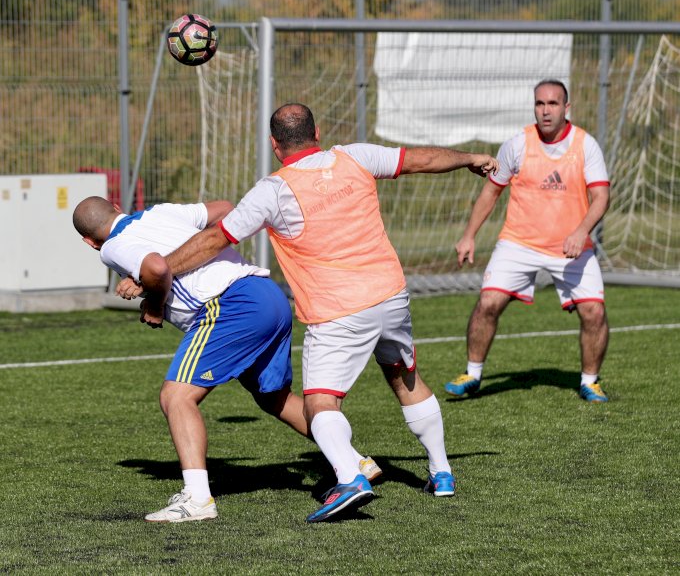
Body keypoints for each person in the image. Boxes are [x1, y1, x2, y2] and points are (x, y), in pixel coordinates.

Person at [161, 103, 499, 523]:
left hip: (337, 310)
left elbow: (216, 239)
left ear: (274, 145)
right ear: (317, 132)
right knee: (404, 376)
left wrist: (159, 269)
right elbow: (420, 159)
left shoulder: (272, 190)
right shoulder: (354, 156)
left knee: (321, 402)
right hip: (391, 295)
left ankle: (350, 478)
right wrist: (470, 158)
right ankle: (441, 472)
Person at [72, 196, 381, 523]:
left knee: (176, 397)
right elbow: (225, 208)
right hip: (266, 293)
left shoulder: (112, 246)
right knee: (272, 397)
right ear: (117, 208)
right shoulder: (161, 212)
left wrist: (155, 304)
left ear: (89, 242)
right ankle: (354, 462)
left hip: (231, 305)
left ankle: (197, 499)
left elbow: (157, 268)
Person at [444, 79, 611, 403]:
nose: (545, 110)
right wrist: (468, 235)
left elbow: (601, 197)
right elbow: (491, 192)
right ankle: (472, 375)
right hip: (518, 243)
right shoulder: (517, 144)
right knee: (488, 303)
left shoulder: (585, 145)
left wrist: (581, 232)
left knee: (594, 312)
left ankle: (590, 382)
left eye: (553, 103)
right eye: (540, 103)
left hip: (570, 245)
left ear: (566, 108)